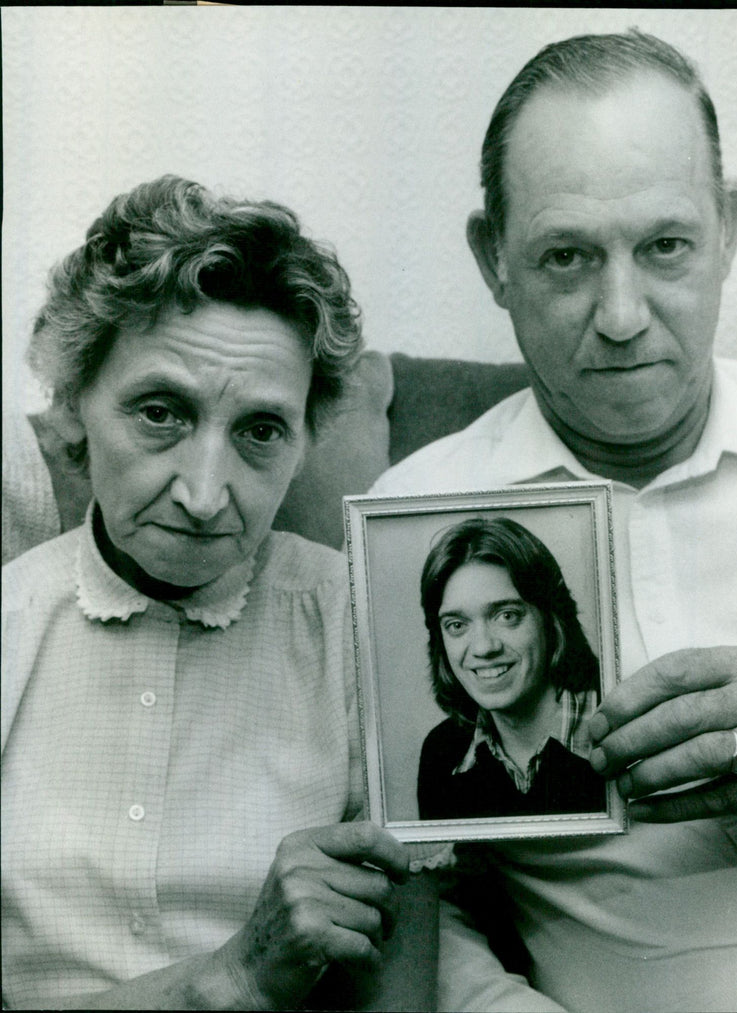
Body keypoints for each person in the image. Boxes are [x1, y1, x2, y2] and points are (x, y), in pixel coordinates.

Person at [371, 29, 737, 1013]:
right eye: (565, 255)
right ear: (491, 257)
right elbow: (411, 881)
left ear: (726, 227)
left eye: (664, 246)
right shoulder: (408, 529)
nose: (619, 314)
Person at [1, 175, 436, 1011]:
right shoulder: (11, 629)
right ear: (72, 407)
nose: (206, 494)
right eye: (161, 411)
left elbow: (403, 976)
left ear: (308, 436)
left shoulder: (368, 629)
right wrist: (231, 977)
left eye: (260, 431)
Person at [416, 517, 605, 820]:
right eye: (456, 625)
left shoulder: (616, 727)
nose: (483, 647)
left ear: (552, 620)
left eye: (507, 615)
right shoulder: (443, 752)